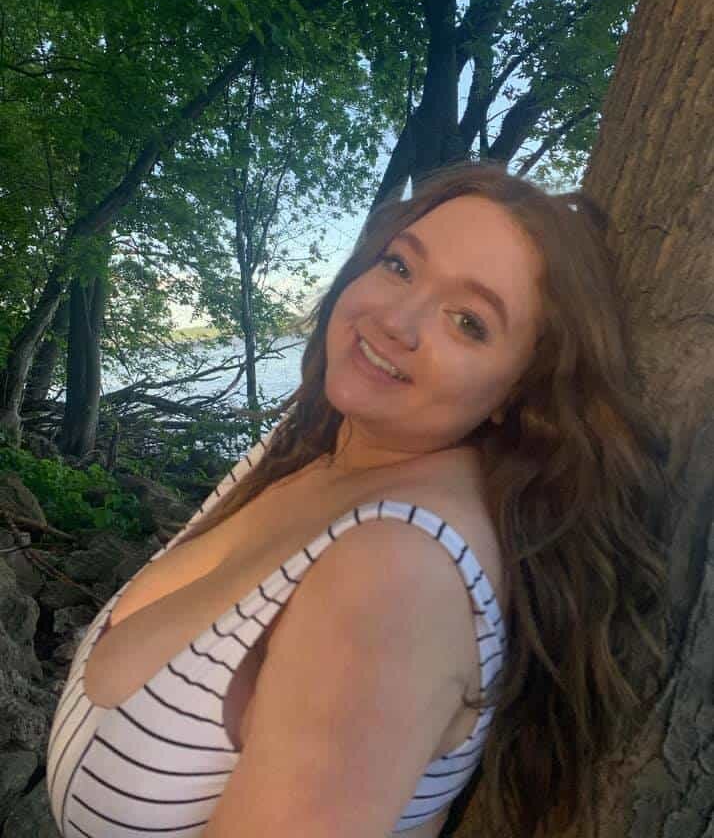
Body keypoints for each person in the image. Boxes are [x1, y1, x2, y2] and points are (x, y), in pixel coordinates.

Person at [46, 161, 671, 838]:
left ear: (521, 391)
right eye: (400, 266)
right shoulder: (309, 446)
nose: (396, 319)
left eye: (468, 321)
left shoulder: (397, 574)